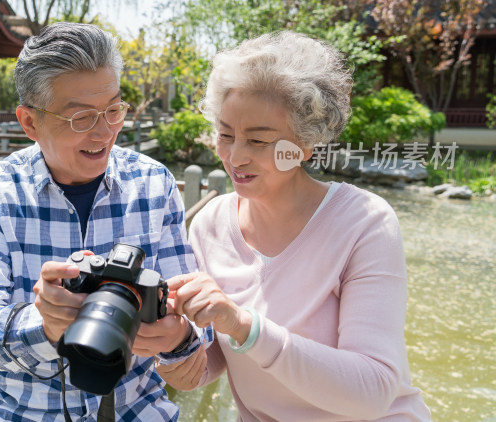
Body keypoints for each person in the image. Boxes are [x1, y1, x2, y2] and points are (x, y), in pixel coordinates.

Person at [157, 31, 431, 421]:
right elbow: (209, 364)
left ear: (305, 143)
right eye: (225, 134)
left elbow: (371, 392)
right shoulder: (210, 224)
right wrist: (173, 345)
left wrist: (244, 325)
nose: (235, 156)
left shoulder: (365, 222)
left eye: (258, 140)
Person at [0, 22, 209, 421]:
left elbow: (191, 311)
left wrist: (178, 336)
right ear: (30, 122)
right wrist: (43, 323)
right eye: (81, 117)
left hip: (136, 408)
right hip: (20, 411)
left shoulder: (155, 183)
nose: (105, 131)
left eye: (113, 109)